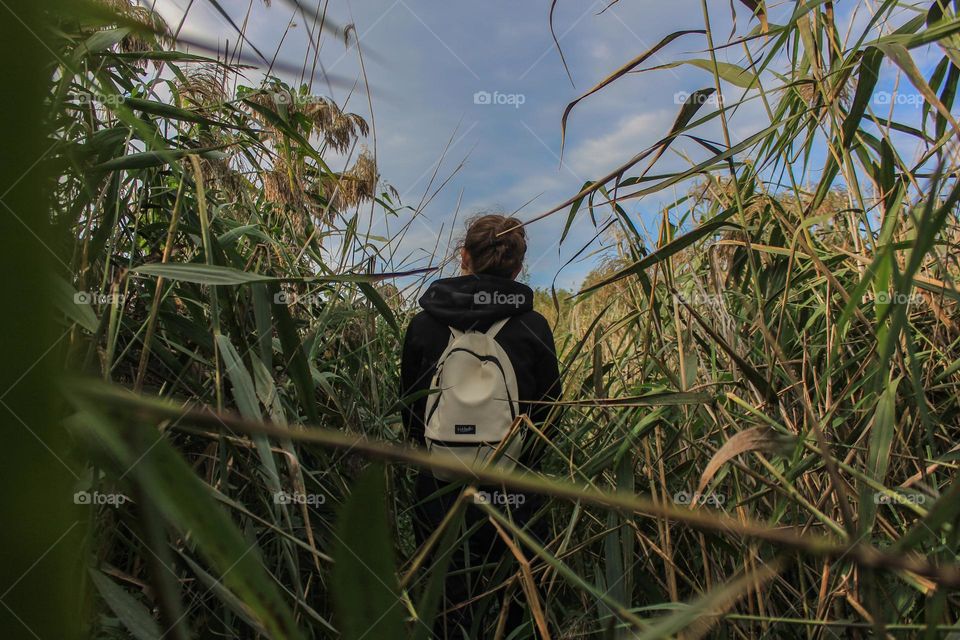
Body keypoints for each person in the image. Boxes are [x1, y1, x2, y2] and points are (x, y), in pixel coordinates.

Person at [400, 214, 562, 638]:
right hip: (513, 493)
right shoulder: (534, 327)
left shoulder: (423, 325)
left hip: (439, 491)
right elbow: (549, 416)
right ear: (518, 268)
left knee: (443, 607)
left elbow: (411, 414)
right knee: (515, 603)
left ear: (464, 257)